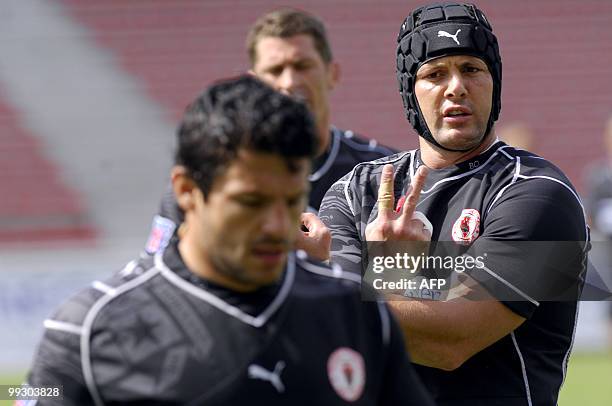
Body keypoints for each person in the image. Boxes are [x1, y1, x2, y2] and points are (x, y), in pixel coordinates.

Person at [24, 76, 434, 406]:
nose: (276, 225)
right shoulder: (83, 332)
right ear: (187, 191)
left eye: (291, 201)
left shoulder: (355, 314)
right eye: (250, 202)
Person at [320, 3, 588, 405]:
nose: (456, 87)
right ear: (410, 92)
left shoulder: (539, 194)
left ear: (494, 81)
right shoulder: (356, 191)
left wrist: (384, 271)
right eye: (434, 73)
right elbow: (332, 323)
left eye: (472, 68)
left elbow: (450, 342)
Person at [144, 9, 396, 260]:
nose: (289, 82)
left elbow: (416, 290)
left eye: (302, 66)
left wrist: (331, 267)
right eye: (275, 70)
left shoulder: (383, 172)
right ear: (253, 82)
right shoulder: (210, 174)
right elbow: (156, 273)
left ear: (332, 74)